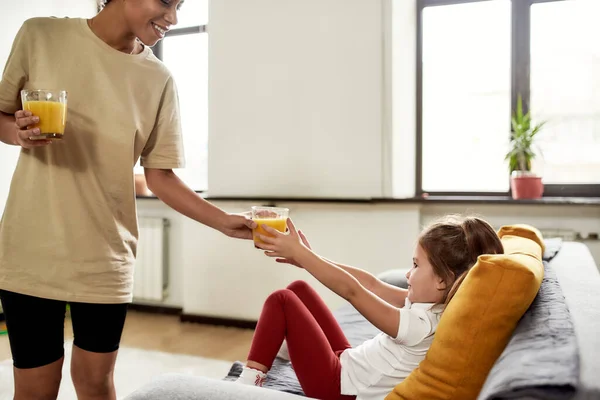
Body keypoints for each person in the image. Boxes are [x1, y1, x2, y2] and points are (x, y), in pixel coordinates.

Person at [0, 1, 257, 399]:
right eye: (165, 2)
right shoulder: (40, 35)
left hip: (107, 253)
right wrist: (18, 134)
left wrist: (223, 221)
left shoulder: (158, 78)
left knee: (96, 383)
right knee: (35, 387)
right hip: (31, 246)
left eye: (180, 6)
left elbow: (160, 175)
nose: (173, 17)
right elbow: (2, 114)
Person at [236, 215, 504, 400]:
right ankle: (277, 352)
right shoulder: (434, 306)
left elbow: (353, 291)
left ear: (443, 280)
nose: (409, 274)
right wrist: (309, 259)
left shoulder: (420, 326)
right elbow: (373, 285)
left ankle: (248, 384)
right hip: (349, 365)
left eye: (415, 265)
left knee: (282, 301)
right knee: (299, 289)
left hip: (337, 389)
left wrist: (303, 255)